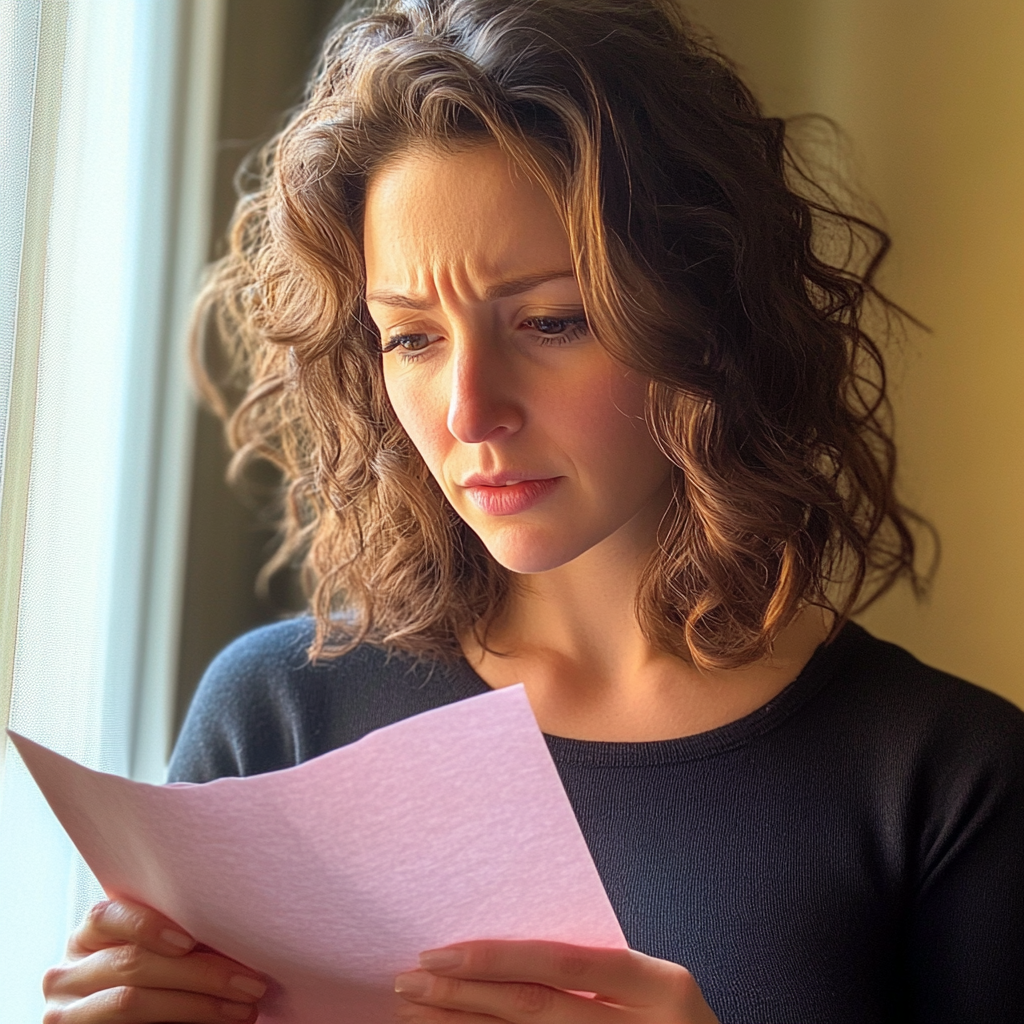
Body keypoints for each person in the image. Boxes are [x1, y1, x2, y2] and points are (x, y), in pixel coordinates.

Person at [42, 1, 1024, 1022]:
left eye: (552, 321)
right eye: (411, 338)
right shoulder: (276, 717)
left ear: (701, 316)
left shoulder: (944, 782)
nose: (470, 410)